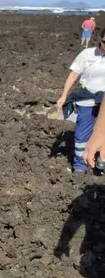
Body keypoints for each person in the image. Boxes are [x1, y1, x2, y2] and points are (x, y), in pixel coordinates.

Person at [57, 26, 105, 174]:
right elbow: (73, 74)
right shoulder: (87, 54)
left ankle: (99, 165)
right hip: (88, 101)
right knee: (82, 134)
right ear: (100, 40)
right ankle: (79, 167)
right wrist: (64, 95)